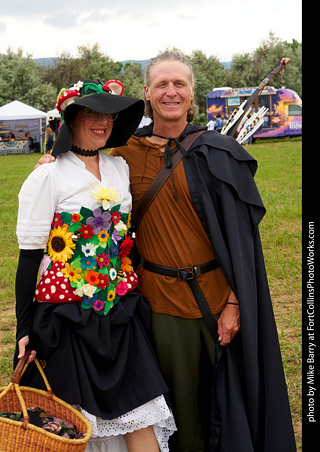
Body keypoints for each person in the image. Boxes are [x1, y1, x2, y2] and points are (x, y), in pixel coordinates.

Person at [36, 51, 296, 452]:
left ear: (192, 93)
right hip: (158, 306)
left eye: (179, 84)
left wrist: (234, 301)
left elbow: (243, 243)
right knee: (174, 412)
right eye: (162, 84)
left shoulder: (218, 152)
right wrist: (54, 161)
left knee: (228, 400)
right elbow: (86, 175)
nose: (171, 92)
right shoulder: (124, 156)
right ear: (147, 93)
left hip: (215, 300)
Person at [15, 79, 176, 452]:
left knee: (142, 411)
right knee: (73, 425)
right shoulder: (48, 175)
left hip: (119, 310)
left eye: (108, 115)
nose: (102, 122)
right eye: (91, 114)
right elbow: (28, 257)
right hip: (66, 315)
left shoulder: (119, 167)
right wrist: (24, 328)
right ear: (71, 120)